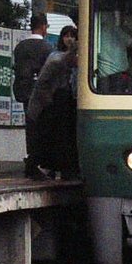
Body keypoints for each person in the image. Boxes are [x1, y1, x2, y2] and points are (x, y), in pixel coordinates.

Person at [28, 24, 80, 179]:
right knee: (51, 137)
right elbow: (42, 84)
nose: (69, 39)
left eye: (73, 36)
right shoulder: (56, 59)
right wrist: (49, 103)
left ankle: (60, 168)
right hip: (51, 104)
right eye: (66, 35)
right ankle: (37, 167)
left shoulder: (71, 62)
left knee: (61, 137)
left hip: (64, 102)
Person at [13, 13, 53, 179]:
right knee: (43, 128)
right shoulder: (48, 47)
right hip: (42, 94)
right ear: (43, 26)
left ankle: (32, 161)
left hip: (25, 92)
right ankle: (37, 162)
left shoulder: (20, 47)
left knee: (31, 127)